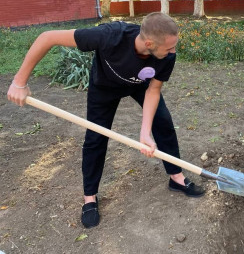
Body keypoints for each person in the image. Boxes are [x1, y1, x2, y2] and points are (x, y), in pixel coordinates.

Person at [7, 12, 205, 229]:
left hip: (140, 86)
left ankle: (175, 176)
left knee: (163, 122)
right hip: (104, 87)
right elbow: (47, 37)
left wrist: (145, 132)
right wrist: (19, 82)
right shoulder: (109, 36)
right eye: (169, 48)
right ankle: (89, 198)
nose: (173, 51)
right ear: (149, 43)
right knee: (95, 138)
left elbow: (153, 90)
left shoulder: (167, 55)